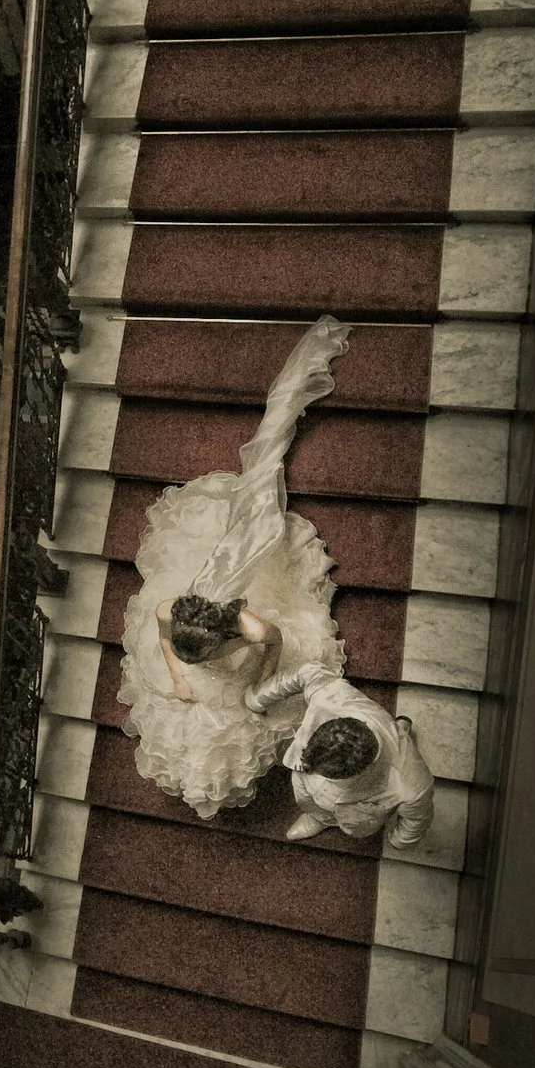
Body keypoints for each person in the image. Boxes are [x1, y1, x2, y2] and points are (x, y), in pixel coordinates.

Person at [115, 316, 352, 818]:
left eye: (202, 656)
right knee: (187, 717)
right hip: (206, 669)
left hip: (244, 676)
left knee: (236, 723)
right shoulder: (169, 609)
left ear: (225, 637)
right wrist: (179, 678)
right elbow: (162, 640)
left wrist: (261, 687)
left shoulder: (252, 625)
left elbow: (274, 648)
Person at [248, 662, 435, 847]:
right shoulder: (332, 697)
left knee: (356, 825)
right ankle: (318, 818)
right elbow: (307, 671)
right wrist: (258, 699)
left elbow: (416, 820)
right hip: (311, 786)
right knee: (304, 793)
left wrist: (399, 841)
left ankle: (400, 732)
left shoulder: (411, 785)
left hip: (354, 809)